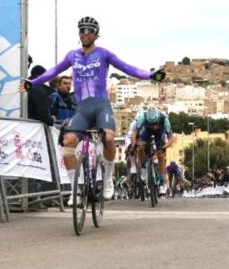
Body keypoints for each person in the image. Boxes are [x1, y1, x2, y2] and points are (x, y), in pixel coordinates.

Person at [24, 16, 165, 201]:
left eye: (89, 30)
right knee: (67, 144)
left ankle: (107, 179)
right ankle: (76, 189)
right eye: (81, 30)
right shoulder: (72, 55)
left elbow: (127, 68)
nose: (85, 33)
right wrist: (32, 83)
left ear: (96, 34)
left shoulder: (104, 54)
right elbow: (53, 71)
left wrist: (150, 75)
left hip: (101, 106)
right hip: (82, 109)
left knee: (108, 137)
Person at [132, 108, 176, 189]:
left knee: (160, 155)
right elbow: (134, 134)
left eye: (155, 124)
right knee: (140, 147)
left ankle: (162, 181)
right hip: (146, 131)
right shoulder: (143, 118)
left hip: (160, 132)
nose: (154, 126)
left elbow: (171, 139)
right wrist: (135, 144)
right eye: (151, 124)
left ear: (159, 119)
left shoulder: (165, 120)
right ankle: (144, 166)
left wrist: (164, 148)